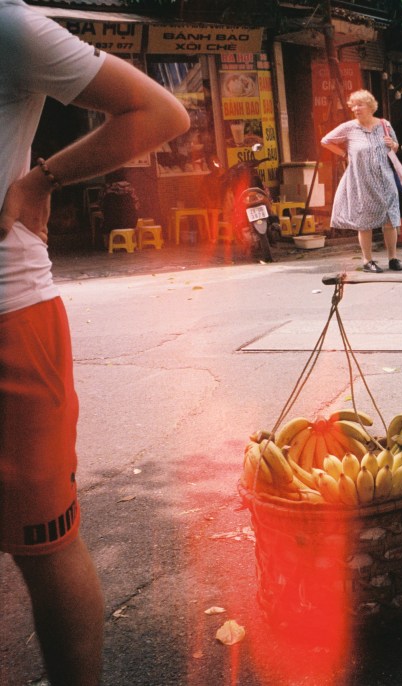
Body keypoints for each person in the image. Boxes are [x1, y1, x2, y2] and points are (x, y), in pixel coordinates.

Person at [0, 4, 189, 684]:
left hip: (9, 319)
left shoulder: (10, 28)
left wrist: (40, 178)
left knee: (44, 544)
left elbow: (160, 114)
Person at [321, 89, 402, 273]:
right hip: (362, 181)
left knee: (391, 219)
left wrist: (393, 145)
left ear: (371, 107)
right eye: (354, 106)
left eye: (360, 105)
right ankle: (368, 261)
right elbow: (326, 141)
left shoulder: (384, 124)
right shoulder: (349, 128)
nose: (356, 109)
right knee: (364, 221)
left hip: (386, 179)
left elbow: (395, 147)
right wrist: (344, 154)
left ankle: (393, 258)